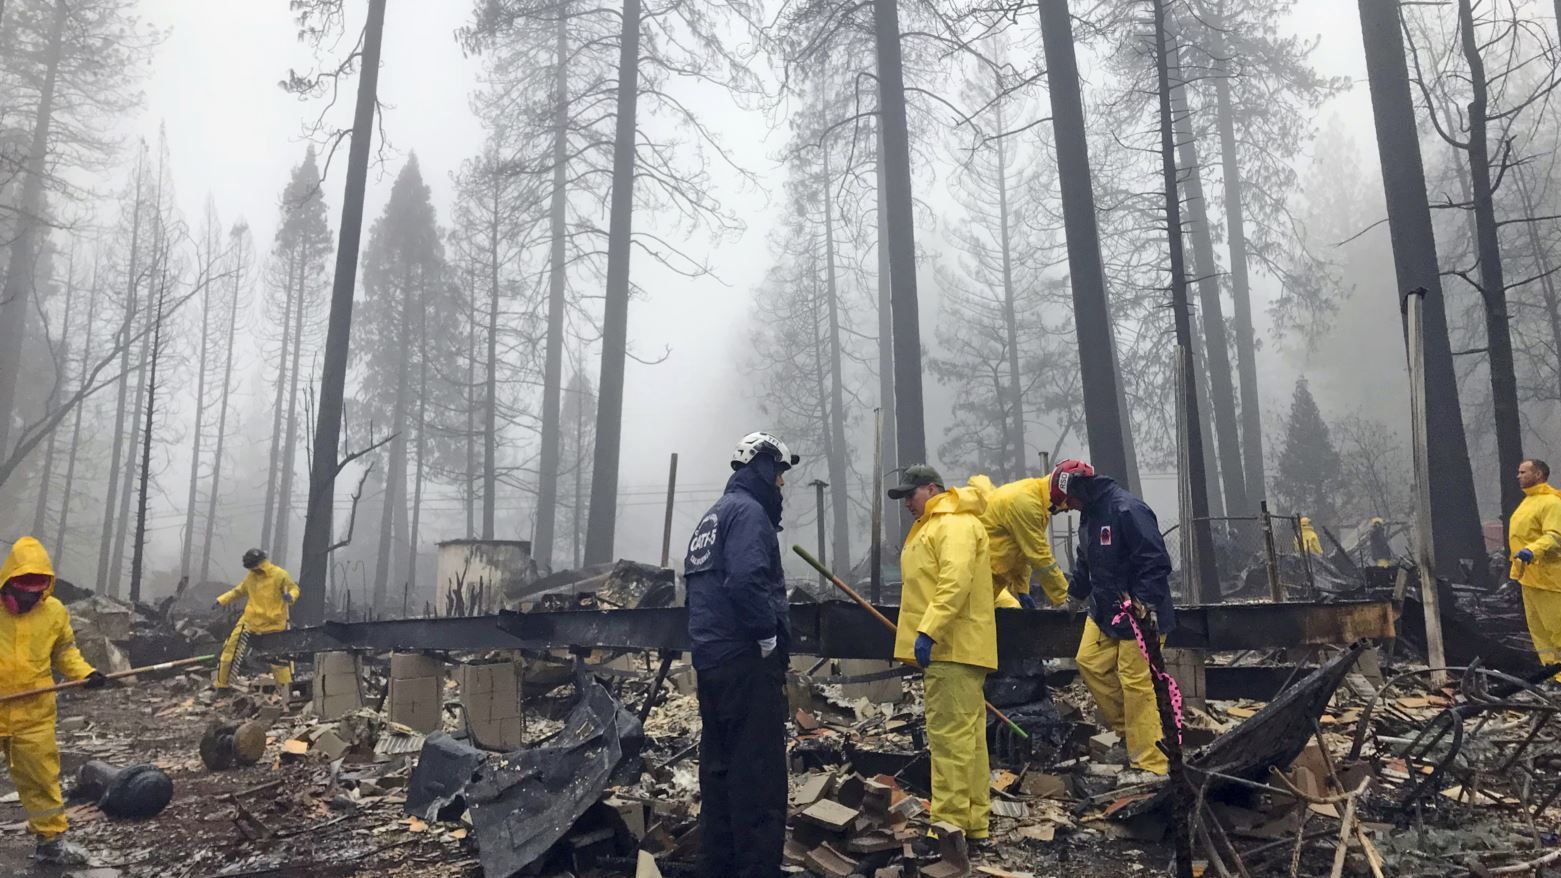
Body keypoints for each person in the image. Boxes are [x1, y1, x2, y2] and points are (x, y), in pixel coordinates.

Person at [685, 431, 798, 878]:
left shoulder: (711, 518)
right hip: (747, 664)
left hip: (712, 664)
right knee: (758, 777)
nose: (783, 486)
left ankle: (719, 866)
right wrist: (767, 636)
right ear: (765, 468)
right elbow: (746, 579)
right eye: (781, 475)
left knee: (719, 774)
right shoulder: (750, 515)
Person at [889, 464, 997, 842]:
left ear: (931, 488)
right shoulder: (941, 525)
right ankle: (972, 823)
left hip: (951, 648)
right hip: (957, 647)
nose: (906, 504)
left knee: (950, 740)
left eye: (910, 495)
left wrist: (928, 631)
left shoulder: (951, 524)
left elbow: (955, 580)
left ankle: (948, 826)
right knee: (968, 740)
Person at [1051, 459, 1176, 779]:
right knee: (1089, 661)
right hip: (1105, 609)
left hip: (1138, 613)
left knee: (1137, 684)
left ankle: (1151, 760)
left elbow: (1156, 560)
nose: (1069, 508)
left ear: (1080, 488)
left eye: (1069, 501)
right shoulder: (1090, 515)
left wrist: (1144, 602)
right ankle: (1130, 733)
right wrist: (1074, 598)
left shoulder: (1127, 510)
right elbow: (1086, 561)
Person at [0, 536, 109, 865]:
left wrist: (85, 674)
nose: (29, 596)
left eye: (36, 589)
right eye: (23, 587)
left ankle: (50, 844)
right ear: (9, 580)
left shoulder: (55, 613)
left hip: (35, 713)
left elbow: (64, 653)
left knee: (42, 781)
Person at [967, 474, 1071, 608]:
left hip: (991, 579)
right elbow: (1039, 556)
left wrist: (1022, 589)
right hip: (980, 579)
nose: (1070, 509)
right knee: (973, 623)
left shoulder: (1036, 500)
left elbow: (1021, 549)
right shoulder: (1026, 504)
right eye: (1071, 502)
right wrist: (1065, 598)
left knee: (1010, 612)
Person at [214, 549, 299, 692]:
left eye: (252, 567)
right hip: (249, 622)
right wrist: (221, 600)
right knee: (229, 652)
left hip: (273, 625)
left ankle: (286, 691)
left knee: (279, 661)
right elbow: (238, 591)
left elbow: (294, 588)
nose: (252, 570)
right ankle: (222, 686)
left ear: (259, 564)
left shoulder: (280, 575)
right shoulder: (250, 577)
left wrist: (291, 596)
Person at [1508, 459, 1561, 679]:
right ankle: (1553, 675)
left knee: (1556, 630)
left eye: (1523, 472)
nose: (1518, 476)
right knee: (1539, 633)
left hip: (1549, 578)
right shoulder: (1529, 501)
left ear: (1538, 474)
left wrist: (1532, 550)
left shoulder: (1551, 502)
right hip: (1529, 577)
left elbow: (1555, 535)